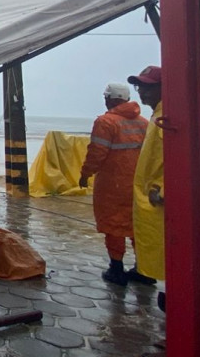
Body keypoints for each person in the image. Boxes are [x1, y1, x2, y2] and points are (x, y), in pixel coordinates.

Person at [78, 83, 155, 286]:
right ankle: (144, 269)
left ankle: (116, 269)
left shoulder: (106, 122)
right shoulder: (144, 123)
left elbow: (97, 153)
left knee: (113, 225)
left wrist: (85, 174)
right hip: (139, 184)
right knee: (138, 225)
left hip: (114, 185)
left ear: (111, 99)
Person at [128, 65, 166, 311]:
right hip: (144, 198)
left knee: (169, 258)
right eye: (140, 86)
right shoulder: (151, 117)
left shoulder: (167, 116)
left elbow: (182, 156)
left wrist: (164, 189)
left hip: (158, 201)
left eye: (148, 86)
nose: (142, 91)